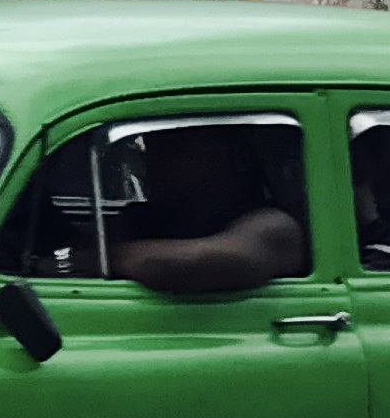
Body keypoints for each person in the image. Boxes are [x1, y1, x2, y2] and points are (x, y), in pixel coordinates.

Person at [105, 124, 308, 294]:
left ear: (221, 157)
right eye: (152, 151)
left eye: (173, 150)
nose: (151, 163)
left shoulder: (274, 224)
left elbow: (184, 265)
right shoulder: (163, 217)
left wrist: (86, 258)